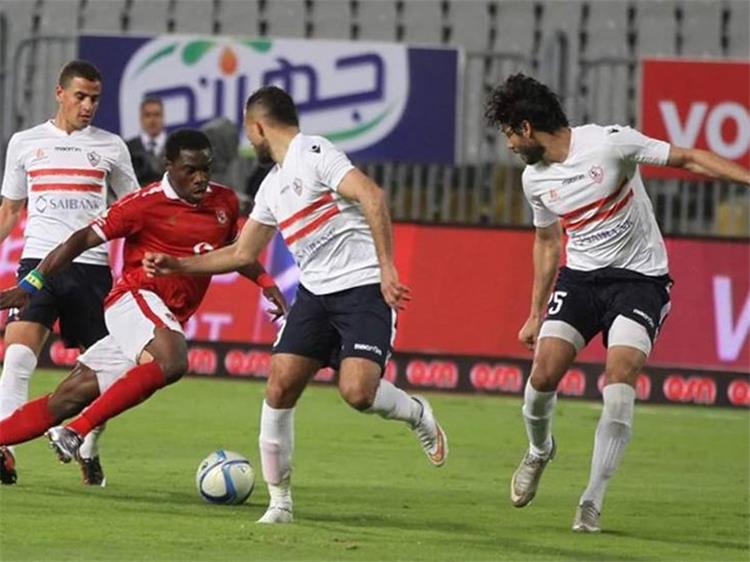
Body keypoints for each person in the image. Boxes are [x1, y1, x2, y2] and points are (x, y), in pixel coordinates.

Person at [143, 86, 449, 524]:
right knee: (280, 384)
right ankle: (280, 504)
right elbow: (242, 253)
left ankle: (417, 413)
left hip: (363, 287)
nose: (249, 140)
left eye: (249, 131)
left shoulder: (315, 152)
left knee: (358, 393)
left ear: (258, 126)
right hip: (315, 295)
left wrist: (387, 268)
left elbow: (372, 196)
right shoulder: (271, 185)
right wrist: (178, 264)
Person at [485, 74, 750, 533]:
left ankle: (592, 499)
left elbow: (687, 158)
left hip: (639, 280)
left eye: (509, 133)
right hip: (580, 280)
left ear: (526, 128)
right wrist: (534, 312)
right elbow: (547, 241)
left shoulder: (610, 144)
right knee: (543, 374)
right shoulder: (534, 180)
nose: (508, 145)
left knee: (619, 374)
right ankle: (539, 450)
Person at [0, 130, 287, 481]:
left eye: (206, 169)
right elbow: (80, 239)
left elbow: (236, 254)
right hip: (133, 299)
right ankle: (76, 432)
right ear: (169, 166)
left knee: (69, 397)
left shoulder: (223, 202)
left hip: (160, 318)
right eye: (190, 170)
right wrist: (32, 282)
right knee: (173, 360)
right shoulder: (142, 204)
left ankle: (57, 429)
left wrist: (266, 283)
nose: (200, 178)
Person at [0, 59, 139, 486]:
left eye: (95, 98)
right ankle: (4, 450)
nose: (88, 106)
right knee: (17, 355)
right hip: (37, 265)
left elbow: (135, 209)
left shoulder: (111, 147)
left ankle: (88, 445)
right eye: (80, 96)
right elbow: (10, 210)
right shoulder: (25, 142)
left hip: (90, 269)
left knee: (107, 372)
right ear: (60, 93)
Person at [126, 97, 166, 186]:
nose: (152, 120)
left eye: (157, 115)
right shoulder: (129, 148)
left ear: (163, 117)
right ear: (141, 119)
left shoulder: (174, 146)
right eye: (147, 115)